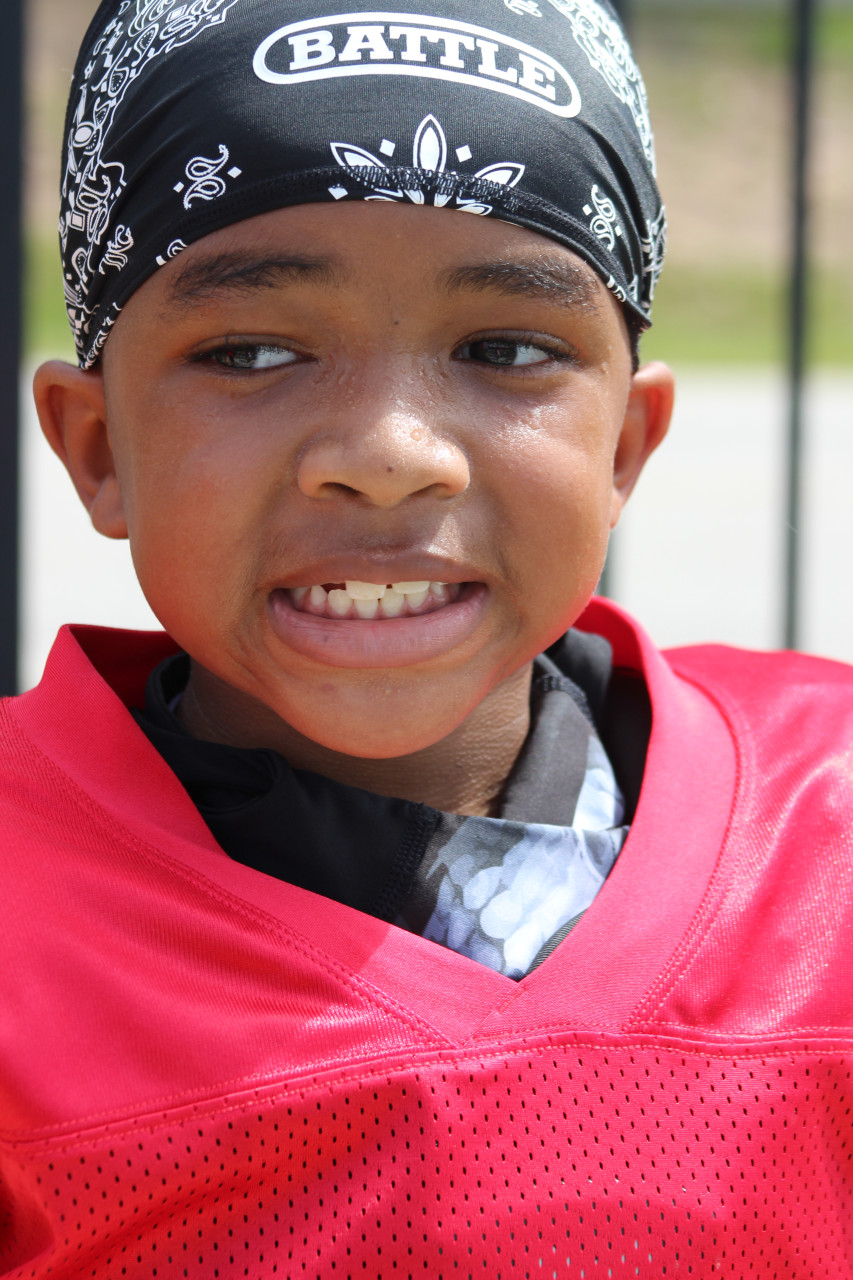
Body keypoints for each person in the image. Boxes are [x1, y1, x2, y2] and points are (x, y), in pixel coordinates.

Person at [2, 1, 851, 1275]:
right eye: (251, 349)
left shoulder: (826, 836)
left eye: (505, 347)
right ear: (99, 445)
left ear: (623, 445)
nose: (391, 456)